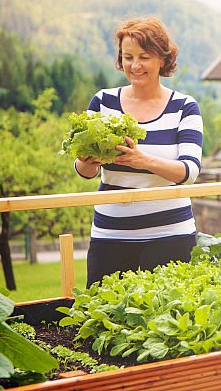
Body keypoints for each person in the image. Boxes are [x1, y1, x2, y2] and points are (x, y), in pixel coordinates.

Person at [74, 17, 203, 287]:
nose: (135, 65)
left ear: (162, 59)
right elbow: (85, 171)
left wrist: (141, 160)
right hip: (110, 234)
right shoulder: (103, 102)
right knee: (102, 318)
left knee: (166, 321)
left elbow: (189, 172)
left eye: (144, 56)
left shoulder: (184, 107)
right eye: (128, 56)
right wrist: (87, 162)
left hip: (171, 235)